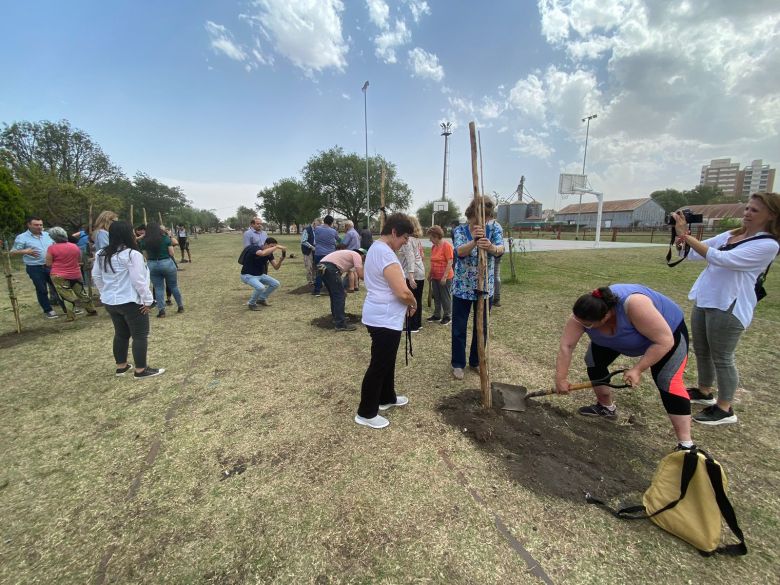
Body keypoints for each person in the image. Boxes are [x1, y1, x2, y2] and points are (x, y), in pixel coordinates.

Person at [673, 192, 779, 426]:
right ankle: (704, 392)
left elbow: (722, 259)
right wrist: (681, 241)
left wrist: (687, 236)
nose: (747, 213)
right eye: (747, 209)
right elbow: (691, 255)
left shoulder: (768, 244)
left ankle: (724, 408)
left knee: (722, 357)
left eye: (754, 210)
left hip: (729, 304)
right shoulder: (732, 234)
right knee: (702, 349)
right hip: (706, 298)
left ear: (771, 215)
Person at [555, 285, 694, 450]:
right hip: (619, 337)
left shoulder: (635, 305)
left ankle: (686, 445)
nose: (582, 325)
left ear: (606, 315)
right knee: (593, 360)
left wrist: (638, 369)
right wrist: (561, 378)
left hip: (666, 334)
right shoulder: (583, 315)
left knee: (667, 380)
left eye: (588, 325)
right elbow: (567, 346)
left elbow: (664, 341)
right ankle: (605, 407)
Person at [356, 213, 417, 429]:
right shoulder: (386, 255)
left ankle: (386, 397)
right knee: (379, 364)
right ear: (393, 232)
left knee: (386, 360)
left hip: (383, 316)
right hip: (384, 318)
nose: (406, 242)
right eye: (405, 237)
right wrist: (413, 302)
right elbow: (402, 291)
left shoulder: (377, 249)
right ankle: (366, 412)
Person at [91, 221, 165, 379]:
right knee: (139, 335)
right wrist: (148, 300)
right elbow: (139, 280)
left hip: (111, 302)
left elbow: (96, 276)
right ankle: (141, 370)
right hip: (130, 301)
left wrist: (105, 292)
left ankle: (121, 366)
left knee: (121, 334)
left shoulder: (101, 254)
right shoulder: (132, 254)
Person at [451, 196, 504, 380]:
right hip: (462, 287)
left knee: (482, 327)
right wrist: (474, 240)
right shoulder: (459, 230)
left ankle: (476, 360)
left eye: (488, 217)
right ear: (473, 213)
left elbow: (500, 249)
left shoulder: (495, 228)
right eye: (482, 216)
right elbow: (459, 252)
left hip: (484, 287)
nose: (485, 220)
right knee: (459, 327)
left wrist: (491, 247)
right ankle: (458, 363)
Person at [10, 217, 65, 318]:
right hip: (35, 267)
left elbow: (56, 245)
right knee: (42, 289)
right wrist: (25, 251)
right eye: (36, 225)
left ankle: (66, 307)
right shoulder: (22, 237)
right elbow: (12, 252)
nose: (39, 227)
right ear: (29, 225)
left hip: (51, 265)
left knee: (59, 287)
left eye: (40, 225)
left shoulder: (48, 235)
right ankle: (48, 310)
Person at [45, 227, 97, 320]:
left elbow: (48, 263)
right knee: (81, 293)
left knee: (66, 295)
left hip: (59, 275)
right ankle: (91, 310)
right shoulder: (74, 246)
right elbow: (79, 260)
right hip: (75, 273)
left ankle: (71, 316)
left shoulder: (51, 248)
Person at [139, 222, 184, 318]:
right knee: (173, 286)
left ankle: (161, 310)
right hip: (166, 263)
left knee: (158, 288)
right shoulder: (165, 238)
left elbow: (145, 256)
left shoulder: (144, 241)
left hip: (152, 264)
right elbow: (171, 253)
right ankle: (180, 306)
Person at [319, 248, 365, 331]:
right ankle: (340, 324)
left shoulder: (347, 254)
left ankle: (336, 317)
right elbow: (361, 275)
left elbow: (341, 271)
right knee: (340, 296)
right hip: (330, 268)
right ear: (362, 255)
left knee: (334, 295)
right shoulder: (357, 255)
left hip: (322, 267)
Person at [397, 216, 426, 333]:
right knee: (417, 299)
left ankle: (412, 325)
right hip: (420, 271)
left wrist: (411, 277)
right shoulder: (417, 240)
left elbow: (410, 258)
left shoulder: (407, 240)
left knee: (411, 299)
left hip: (412, 273)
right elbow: (421, 256)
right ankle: (417, 323)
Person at [240, 237, 285, 309]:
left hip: (260, 275)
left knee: (275, 283)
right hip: (248, 275)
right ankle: (251, 304)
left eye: (274, 247)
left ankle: (261, 299)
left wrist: (280, 260)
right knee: (260, 287)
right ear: (266, 244)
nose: (273, 249)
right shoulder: (255, 248)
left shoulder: (269, 254)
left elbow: (276, 267)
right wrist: (276, 247)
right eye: (271, 246)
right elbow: (262, 253)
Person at [427, 225, 454, 325]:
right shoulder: (434, 247)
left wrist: (445, 276)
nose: (430, 239)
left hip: (445, 277)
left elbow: (450, 262)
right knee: (437, 296)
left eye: (431, 237)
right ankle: (437, 315)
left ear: (436, 236)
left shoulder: (446, 246)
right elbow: (433, 262)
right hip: (435, 276)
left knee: (445, 297)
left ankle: (447, 316)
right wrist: (430, 274)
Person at [312, 215, 340, 296]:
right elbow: (339, 240)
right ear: (331, 223)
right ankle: (330, 289)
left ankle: (317, 290)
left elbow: (314, 226)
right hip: (330, 254)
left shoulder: (317, 229)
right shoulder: (333, 231)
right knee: (330, 272)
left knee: (319, 272)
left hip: (319, 253)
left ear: (324, 221)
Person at [300, 218, 321, 285]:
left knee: (315, 266)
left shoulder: (317, 230)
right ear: (314, 223)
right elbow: (303, 241)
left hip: (316, 250)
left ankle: (315, 280)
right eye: (318, 225)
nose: (319, 227)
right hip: (308, 251)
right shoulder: (307, 230)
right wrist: (312, 247)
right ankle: (310, 281)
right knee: (309, 266)